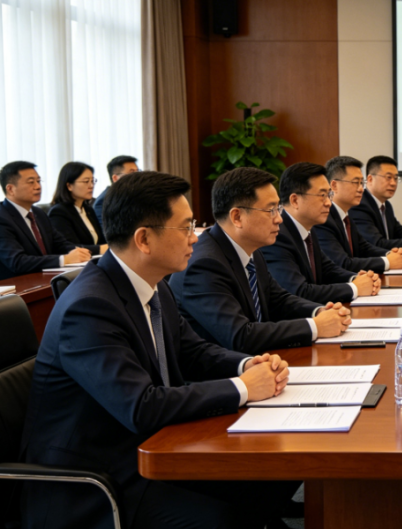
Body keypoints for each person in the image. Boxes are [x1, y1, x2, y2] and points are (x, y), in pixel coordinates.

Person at [21, 171, 299, 529]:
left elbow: (193, 351)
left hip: (154, 446)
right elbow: (141, 405)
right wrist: (244, 388)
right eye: (185, 228)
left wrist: (247, 365)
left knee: (273, 474)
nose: (195, 238)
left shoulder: (153, 284)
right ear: (144, 239)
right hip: (98, 479)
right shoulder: (89, 307)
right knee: (221, 517)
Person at [169, 167, 353, 354]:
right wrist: (315, 326)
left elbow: (278, 300)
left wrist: (319, 311)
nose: (279, 219)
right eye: (270, 210)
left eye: (278, 209)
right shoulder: (204, 266)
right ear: (237, 217)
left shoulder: (251, 250)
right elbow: (241, 336)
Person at [262, 162, 380, 304]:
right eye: (322, 195)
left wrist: (356, 278)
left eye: (329, 195)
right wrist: (355, 288)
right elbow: (299, 291)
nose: (328, 203)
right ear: (295, 200)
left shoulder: (308, 228)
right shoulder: (278, 236)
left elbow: (327, 269)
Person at [315, 156, 402, 273]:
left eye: (361, 183)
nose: (361, 189)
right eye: (356, 182)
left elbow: (364, 248)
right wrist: (388, 262)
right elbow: (342, 263)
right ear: (334, 186)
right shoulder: (323, 220)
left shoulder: (345, 216)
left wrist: (391, 254)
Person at [0, 161, 90, 280]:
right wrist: (64, 259)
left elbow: (61, 244)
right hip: (16, 285)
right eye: (31, 182)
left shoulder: (38, 213)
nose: (38, 186)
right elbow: (17, 261)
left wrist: (81, 253)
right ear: (10, 189)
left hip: (44, 279)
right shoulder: (2, 217)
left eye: (38, 181)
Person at [349, 155, 402, 252]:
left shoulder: (386, 205)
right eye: (388, 177)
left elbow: (398, 231)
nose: (393, 183)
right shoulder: (359, 205)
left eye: (395, 178)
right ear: (370, 179)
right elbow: (376, 243)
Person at [47, 161, 108, 255]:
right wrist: (100, 249)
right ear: (69, 186)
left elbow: (101, 241)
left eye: (92, 181)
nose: (91, 186)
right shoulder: (59, 212)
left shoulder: (88, 210)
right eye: (86, 181)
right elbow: (67, 247)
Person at [92, 154, 139, 224]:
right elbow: (106, 229)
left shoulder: (137, 195)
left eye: (138, 171)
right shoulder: (103, 202)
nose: (138, 176)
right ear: (115, 178)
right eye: (132, 173)